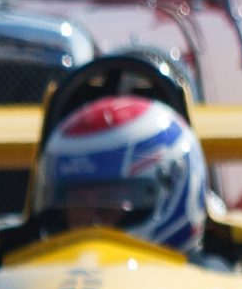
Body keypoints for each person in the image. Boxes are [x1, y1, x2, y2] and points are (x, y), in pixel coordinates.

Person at [31, 97, 208, 254]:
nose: (90, 225)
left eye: (109, 203)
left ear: (173, 191)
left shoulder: (212, 285)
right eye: (76, 205)